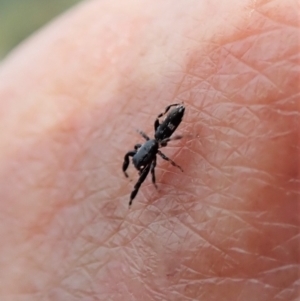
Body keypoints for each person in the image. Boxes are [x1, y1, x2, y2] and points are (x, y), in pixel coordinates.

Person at [0, 0, 299, 300]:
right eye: (139, 161)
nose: (139, 162)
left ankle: (151, 161)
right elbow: (135, 155)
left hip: (162, 133)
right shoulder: (147, 147)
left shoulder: (156, 146)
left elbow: (146, 158)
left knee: (157, 150)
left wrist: (156, 160)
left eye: (139, 161)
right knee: (150, 151)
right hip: (158, 135)